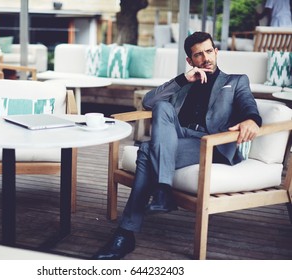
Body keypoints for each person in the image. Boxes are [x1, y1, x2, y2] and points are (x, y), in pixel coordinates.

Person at [93, 31, 262, 260]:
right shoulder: (184, 83)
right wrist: (183, 79)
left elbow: (248, 105)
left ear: (216, 51)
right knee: (162, 107)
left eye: (209, 52)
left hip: (209, 143)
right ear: (190, 60)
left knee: (145, 152)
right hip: (179, 137)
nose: (206, 58)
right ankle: (162, 192)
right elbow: (149, 102)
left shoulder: (235, 81)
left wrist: (251, 120)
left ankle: (126, 233)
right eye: (199, 55)